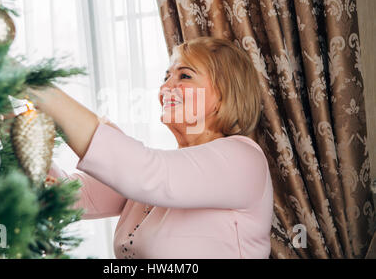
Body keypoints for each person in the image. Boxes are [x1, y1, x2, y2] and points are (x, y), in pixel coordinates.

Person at [30, 36, 273, 259]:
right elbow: (66, 196)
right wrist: (15, 121)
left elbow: (145, 171)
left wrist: (42, 92)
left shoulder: (242, 159)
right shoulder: (159, 173)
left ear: (224, 94)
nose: (165, 88)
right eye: (166, 77)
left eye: (184, 76)